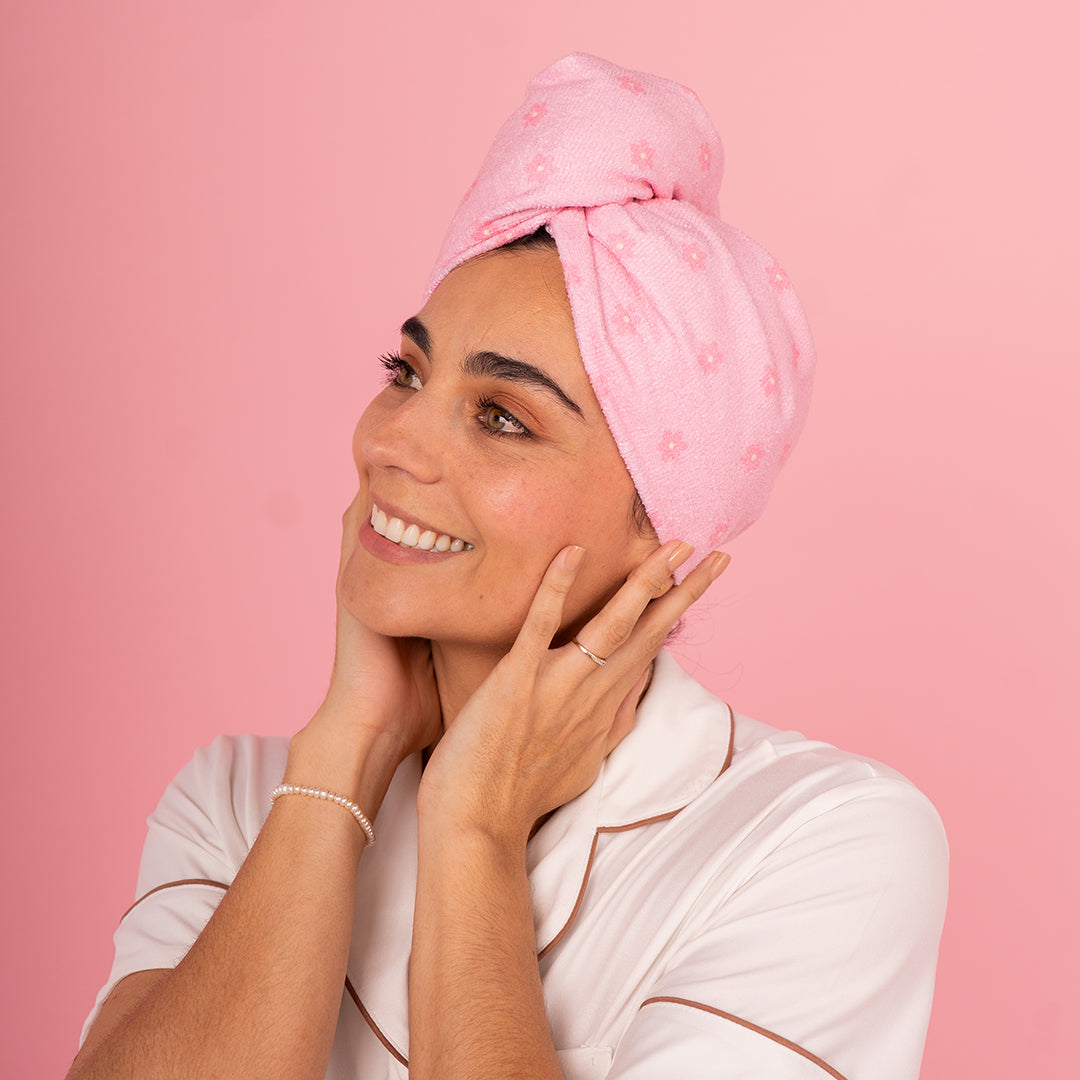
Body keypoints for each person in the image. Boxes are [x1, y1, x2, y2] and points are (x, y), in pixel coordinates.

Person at [68, 54, 947, 1080]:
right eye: (405, 373)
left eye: (501, 417)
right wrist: (348, 753)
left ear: (665, 530)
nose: (390, 442)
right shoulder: (238, 800)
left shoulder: (814, 842)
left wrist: (475, 831)